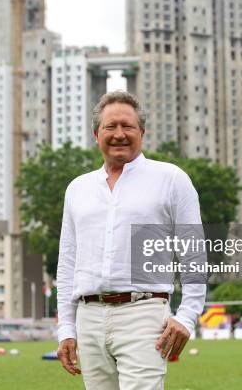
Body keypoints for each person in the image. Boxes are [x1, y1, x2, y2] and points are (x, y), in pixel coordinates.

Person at [56, 90, 206, 389]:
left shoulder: (171, 179)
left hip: (144, 314)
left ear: (142, 132)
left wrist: (188, 315)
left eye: (128, 126)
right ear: (96, 133)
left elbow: (194, 253)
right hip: (89, 317)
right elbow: (68, 261)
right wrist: (66, 329)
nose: (119, 134)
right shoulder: (78, 189)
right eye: (110, 127)